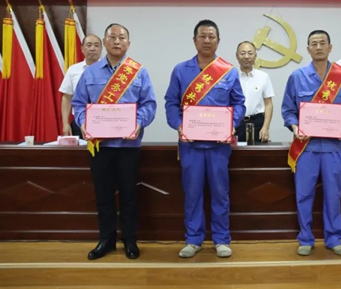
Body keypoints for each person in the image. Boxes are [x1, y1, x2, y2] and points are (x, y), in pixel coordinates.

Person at [72, 23, 157, 260]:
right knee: (103, 195)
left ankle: (130, 239)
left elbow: (149, 104)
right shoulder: (90, 73)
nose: (117, 41)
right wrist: (84, 123)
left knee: (129, 195)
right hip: (100, 146)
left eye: (122, 38)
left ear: (128, 43)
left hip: (128, 146)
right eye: (112, 37)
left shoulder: (138, 72)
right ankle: (106, 240)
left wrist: (138, 122)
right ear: (105, 42)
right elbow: (78, 104)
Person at [165, 19, 245, 259]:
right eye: (202, 36)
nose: (207, 41)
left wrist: (231, 124)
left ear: (218, 41)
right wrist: (178, 125)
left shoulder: (228, 70)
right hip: (190, 145)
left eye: (211, 37)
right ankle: (193, 239)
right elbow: (171, 102)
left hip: (219, 146)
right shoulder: (180, 70)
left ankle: (221, 239)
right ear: (194, 40)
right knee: (192, 194)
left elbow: (239, 103)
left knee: (220, 193)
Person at [282, 30, 341, 256]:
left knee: (333, 195)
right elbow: (288, 110)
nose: (318, 47)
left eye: (322, 43)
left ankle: (334, 238)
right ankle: (305, 238)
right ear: (308, 49)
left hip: (334, 148)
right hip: (307, 148)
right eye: (313, 44)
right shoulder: (297, 77)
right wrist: (295, 127)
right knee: (304, 194)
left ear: (330, 47)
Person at [58, 34, 102, 137]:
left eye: (96, 45)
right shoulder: (73, 70)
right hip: (79, 121)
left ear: (101, 48)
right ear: (82, 48)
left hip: (103, 120)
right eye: (89, 45)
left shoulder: (110, 70)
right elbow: (67, 97)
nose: (92, 48)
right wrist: (65, 123)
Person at [235, 41, 275, 143]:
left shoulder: (263, 76)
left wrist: (265, 127)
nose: (246, 57)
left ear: (255, 56)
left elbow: (268, 104)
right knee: (235, 152)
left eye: (250, 53)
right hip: (236, 123)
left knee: (256, 152)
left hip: (257, 123)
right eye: (242, 53)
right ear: (237, 56)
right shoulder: (232, 76)